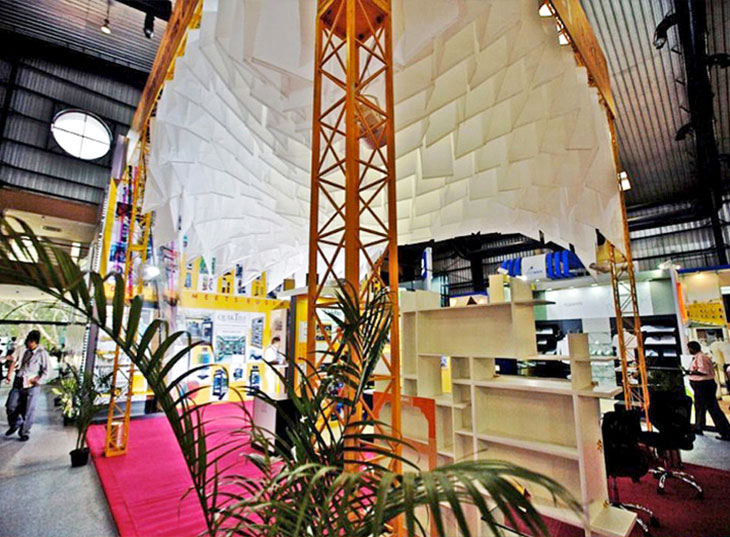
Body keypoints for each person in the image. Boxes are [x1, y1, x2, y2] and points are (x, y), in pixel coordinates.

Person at [4, 330, 51, 441]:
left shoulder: (42, 353)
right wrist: (9, 375)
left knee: (29, 410)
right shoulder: (23, 349)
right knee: (10, 405)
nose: (28, 344)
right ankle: (16, 423)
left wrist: (38, 380)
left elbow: (47, 371)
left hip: (32, 385)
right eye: (27, 341)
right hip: (19, 381)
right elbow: (14, 360)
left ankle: (24, 432)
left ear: (35, 342)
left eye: (30, 342)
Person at [687, 340, 730, 441]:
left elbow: (703, 371)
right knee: (700, 407)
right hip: (701, 386)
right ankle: (699, 427)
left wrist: (691, 372)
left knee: (712, 408)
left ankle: (725, 431)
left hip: (704, 385)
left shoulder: (701, 357)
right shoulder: (698, 357)